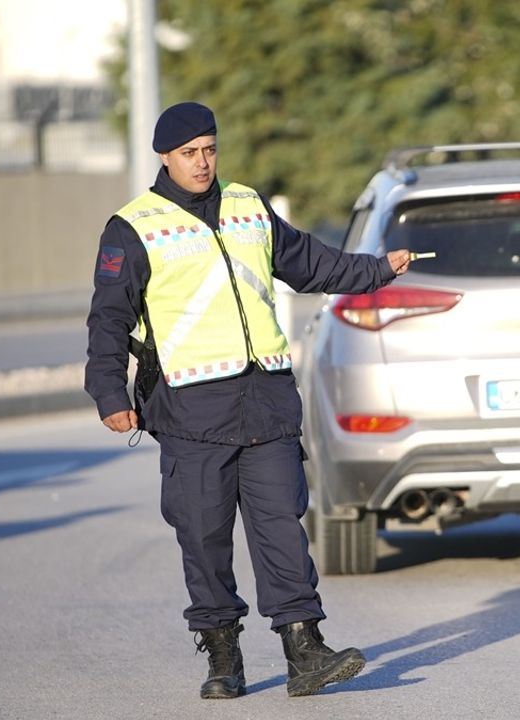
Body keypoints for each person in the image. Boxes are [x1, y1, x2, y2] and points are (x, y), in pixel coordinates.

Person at [84, 101, 410, 700]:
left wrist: (375, 270)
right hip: (190, 411)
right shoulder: (133, 227)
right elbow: (108, 319)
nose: (203, 162)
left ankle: (304, 649)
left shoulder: (247, 206)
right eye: (189, 154)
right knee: (204, 535)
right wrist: (108, 392)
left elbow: (310, 263)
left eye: (210, 149)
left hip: (265, 402)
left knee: (282, 527)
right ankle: (223, 655)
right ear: (164, 157)